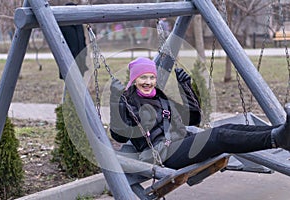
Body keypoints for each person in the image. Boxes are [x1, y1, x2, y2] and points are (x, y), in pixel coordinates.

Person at [109, 57, 290, 170]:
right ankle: (277, 139)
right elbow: (119, 135)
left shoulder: (161, 99)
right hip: (162, 153)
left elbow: (194, 118)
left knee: (227, 127)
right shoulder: (127, 101)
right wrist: (115, 101)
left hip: (181, 143)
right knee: (219, 136)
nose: (148, 82)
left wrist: (185, 87)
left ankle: (281, 131)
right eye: (143, 77)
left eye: (151, 77)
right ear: (134, 79)